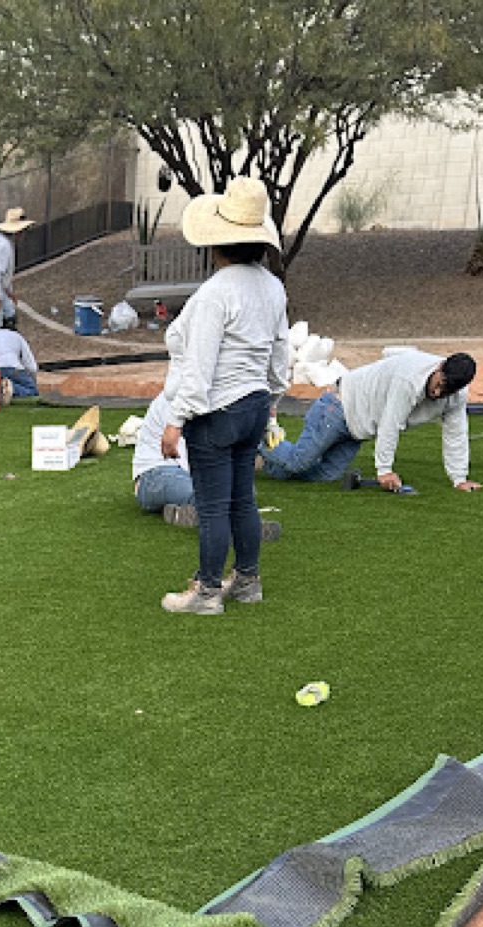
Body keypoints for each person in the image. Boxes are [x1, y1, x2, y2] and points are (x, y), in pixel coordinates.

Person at [155, 177, 290, 616]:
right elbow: (279, 352)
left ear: (218, 241)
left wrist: (176, 420)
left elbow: (199, 365)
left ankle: (207, 592)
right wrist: (271, 402)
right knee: (242, 498)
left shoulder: (215, 293)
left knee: (213, 505)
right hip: (253, 405)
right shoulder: (272, 287)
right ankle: (247, 580)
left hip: (217, 410)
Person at [258, 349, 482, 491]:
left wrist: (459, 479)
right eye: (439, 384)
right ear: (439, 367)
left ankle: (260, 461)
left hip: (357, 430)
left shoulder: (456, 397)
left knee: (325, 475)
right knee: (299, 461)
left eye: (446, 391)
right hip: (336, 407)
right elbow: (390, 423)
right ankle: (255, 439)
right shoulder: (409, 379)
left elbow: (456, 434)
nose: (437, 393)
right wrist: (384, 470)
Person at [134, 393, 283, 538]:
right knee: (209, 492)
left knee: (245, 490)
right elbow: (192, 459)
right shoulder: (181, 401)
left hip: (188, 471)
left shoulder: (216, 401)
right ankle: (243, 528)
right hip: (153, 476)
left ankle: (182, 513)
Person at [0, 324, 40, 398]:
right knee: (32, 390)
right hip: (13, 368)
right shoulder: (17, 336)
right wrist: (32, 378)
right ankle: (11, 389)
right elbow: (30, 363)